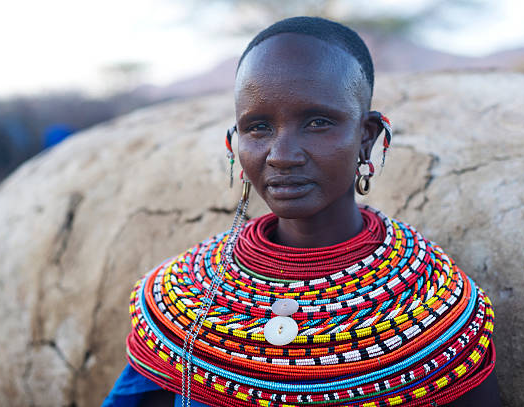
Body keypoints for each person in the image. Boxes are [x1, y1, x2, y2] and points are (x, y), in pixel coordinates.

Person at [102, 17, 500, 407]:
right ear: (235, 141)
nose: (282, 156)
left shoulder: (435, 306)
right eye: (257, 127)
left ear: (366, 137)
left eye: (317, 122)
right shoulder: (183, 296)